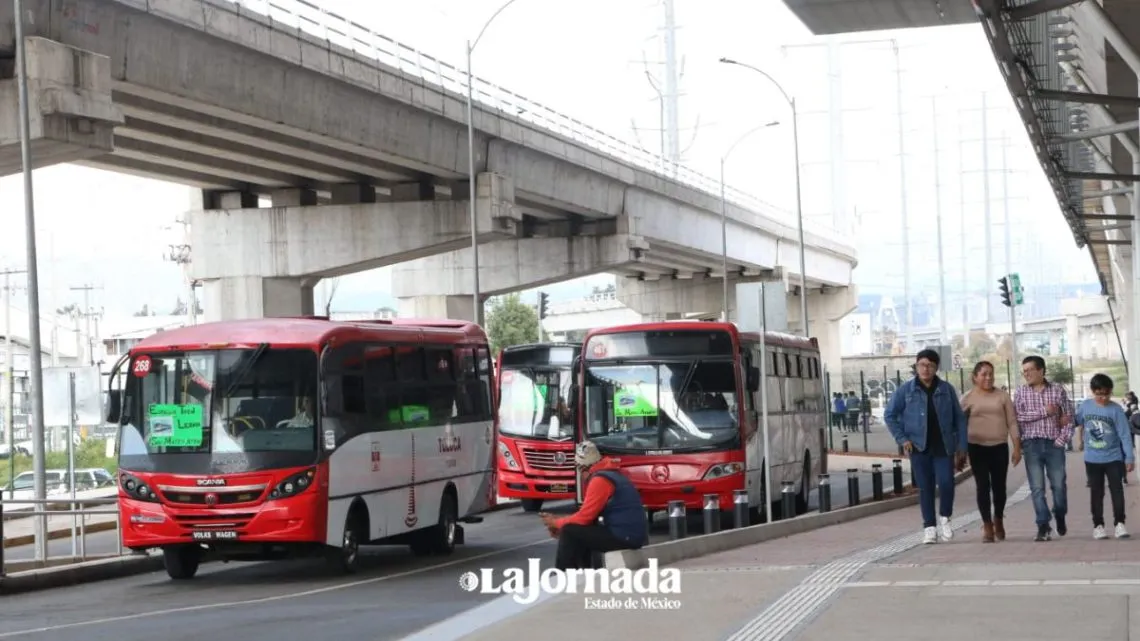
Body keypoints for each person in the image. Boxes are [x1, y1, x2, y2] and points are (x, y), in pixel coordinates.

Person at [884, 349, 968, 544]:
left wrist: (962, 446)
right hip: (919, 447)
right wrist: (902, 439)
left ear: (936, 367)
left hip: (944, 446)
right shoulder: (906, 390)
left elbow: (959, 419)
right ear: (916, 366)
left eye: (930, 365)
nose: (925, 369)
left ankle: (945, 517)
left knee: (947, 483)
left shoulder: (946, 390)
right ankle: (929, 527)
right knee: (926, 488)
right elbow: (889, 415)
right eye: (921, 365)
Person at [540, 441, 648, 570]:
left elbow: (584, 517)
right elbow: (587, 519)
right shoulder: (613, 474)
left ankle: (562, 575)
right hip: (632, 535)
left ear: (582, 468)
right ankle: (583, 571)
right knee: (579, 530)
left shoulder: (600, 480)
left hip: (625, 537)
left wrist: (556, 523)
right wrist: (560, 524)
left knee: (570, 531)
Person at [1013, 355, 1074, 542]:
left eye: (1030, 370)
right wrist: (1044, 412)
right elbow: (1018, 417)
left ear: (1041, 370)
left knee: (1058, 485)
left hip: (1053, 444)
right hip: (1031, 444)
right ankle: (1043, 524)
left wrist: (1062, 439)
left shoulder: (1057, 391)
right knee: (1037, 487)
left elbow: (1069, 416)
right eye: (1024, 371)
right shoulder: (1021, 392)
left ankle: (1060, 513)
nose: (1027, 374)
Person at [960, 361, 1020, 542]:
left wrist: (1017, 447)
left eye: (991, 374)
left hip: (999, 447)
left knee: (999, 487)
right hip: (976, 447)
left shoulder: (1002, 396)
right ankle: (987, 525)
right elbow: (959, 425)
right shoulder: (967, 398)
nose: (988, 378)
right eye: (984, 374)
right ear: (975, 377)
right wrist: (960, 452)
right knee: (982, 487)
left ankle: (998, 519)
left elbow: (1012, 422)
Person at [1074, 374, 1134, 539]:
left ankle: (1120, 524)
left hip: (1114, 458)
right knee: (1096, 492)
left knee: (1117, 490)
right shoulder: (1085, 406)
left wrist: (1129, 457)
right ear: (1093, 391)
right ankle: (1098, 525)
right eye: (1100, 394)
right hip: (1092, 459)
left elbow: (1124, 435)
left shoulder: (1116, 410)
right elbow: (1076, 421)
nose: (1103, 398)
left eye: (1107, 394)